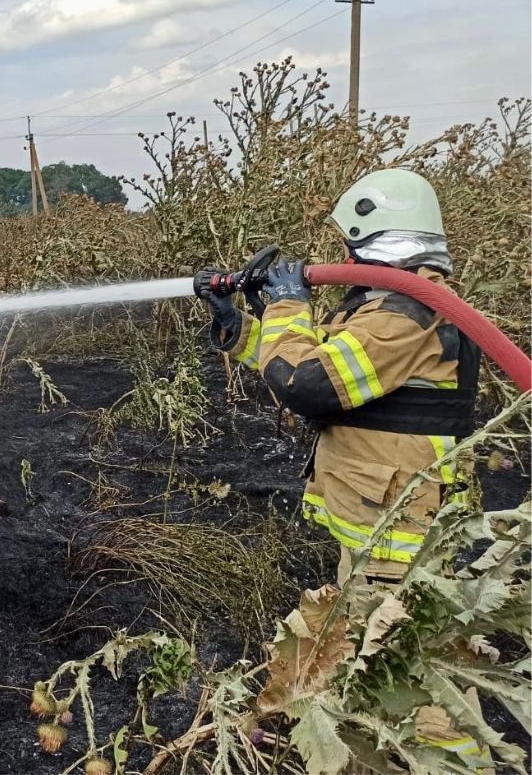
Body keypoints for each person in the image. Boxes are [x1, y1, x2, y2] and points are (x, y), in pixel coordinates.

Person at [207, 168, 486, 762]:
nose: (341, 254)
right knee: (363, 663)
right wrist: (241, 329)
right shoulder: (390, 306)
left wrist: (287, 305)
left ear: (369, 240)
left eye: (348, 243)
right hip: (382, 521)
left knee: (414, 688)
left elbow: (309, 384)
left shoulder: (407, 314)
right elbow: (319, 363)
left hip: (401, 530)